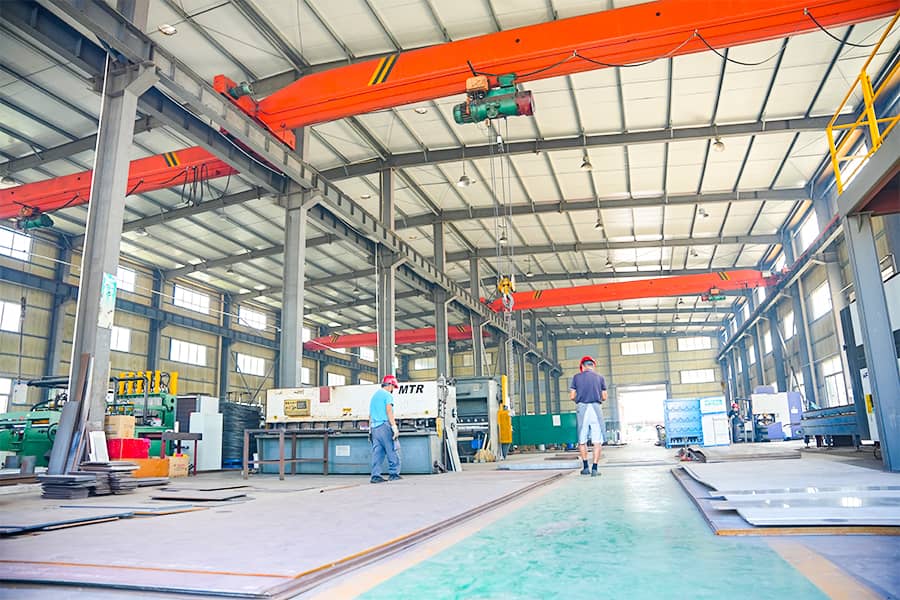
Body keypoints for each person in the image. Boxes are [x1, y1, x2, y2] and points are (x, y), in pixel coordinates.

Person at [569, 356, 607, 477]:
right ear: (593, 366)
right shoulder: (600, 378)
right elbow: (604, 396)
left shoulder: (576, 377)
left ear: (582, 366)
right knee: (597, 441)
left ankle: (585, 467)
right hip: (596, 410)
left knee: (582, 439)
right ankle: (595, 468)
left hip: (582, 409)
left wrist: (579, 399)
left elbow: (572, 396)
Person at [369, 374, 401, 483]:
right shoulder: (387, 395)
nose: (393, 390)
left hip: (374, 427)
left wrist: (370, 429)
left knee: (377, 452)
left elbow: (370, 414)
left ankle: (375, 476)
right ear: (390, 385)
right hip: (384, 426)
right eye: (393, 387)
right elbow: (389, 411)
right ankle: (394, 474)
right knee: (392, 449)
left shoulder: (374, 396)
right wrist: (394, 426)